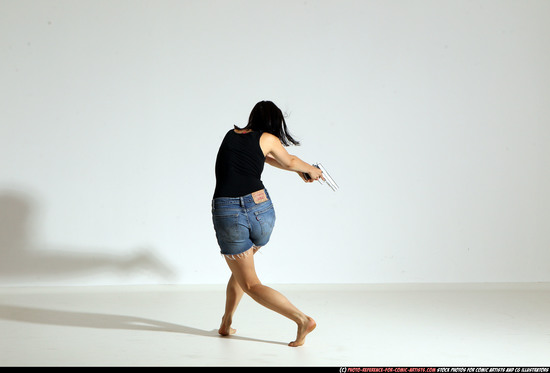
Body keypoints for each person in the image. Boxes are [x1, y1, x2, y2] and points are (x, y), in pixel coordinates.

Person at [211, 100, 323, 347]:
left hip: (230, 212)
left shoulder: (232, 135)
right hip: (262, 211)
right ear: (274, 122)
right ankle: (226, 323)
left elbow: (286, 161)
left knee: (250, 283)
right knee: (241, 270)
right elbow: (285, 160)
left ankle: (302, 319)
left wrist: (304, 169)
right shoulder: (269, 140)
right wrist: (308, 171)